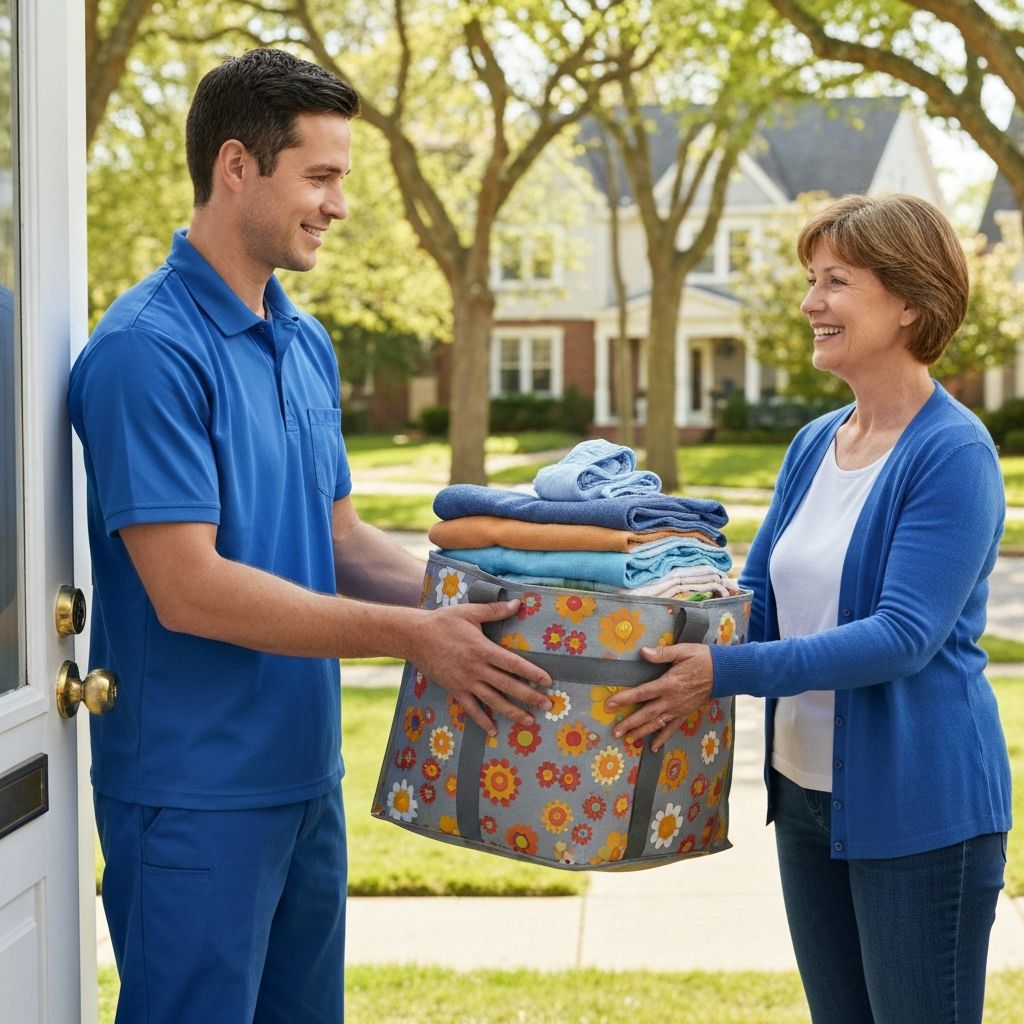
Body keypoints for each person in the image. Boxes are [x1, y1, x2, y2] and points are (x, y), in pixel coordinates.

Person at [68, 48, 551, 1024]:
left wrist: (498, 610)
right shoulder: (145, 351)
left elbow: (344, 542)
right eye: (320, 176)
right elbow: (188, 588)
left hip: (304, 778)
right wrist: (415, 638)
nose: (339, 205)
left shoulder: (302, 339)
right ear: (236, 166)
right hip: (193, 794)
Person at [606, 193, 1011, 1024]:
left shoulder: (954, 452)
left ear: (910, 302)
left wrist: (721, 672)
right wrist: (637, 621)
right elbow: (758, 604)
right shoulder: (815, 442)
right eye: (810, 279)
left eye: (836, 282)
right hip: (802, 794)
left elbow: (901, 637)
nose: (809, 303)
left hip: (919, 808)